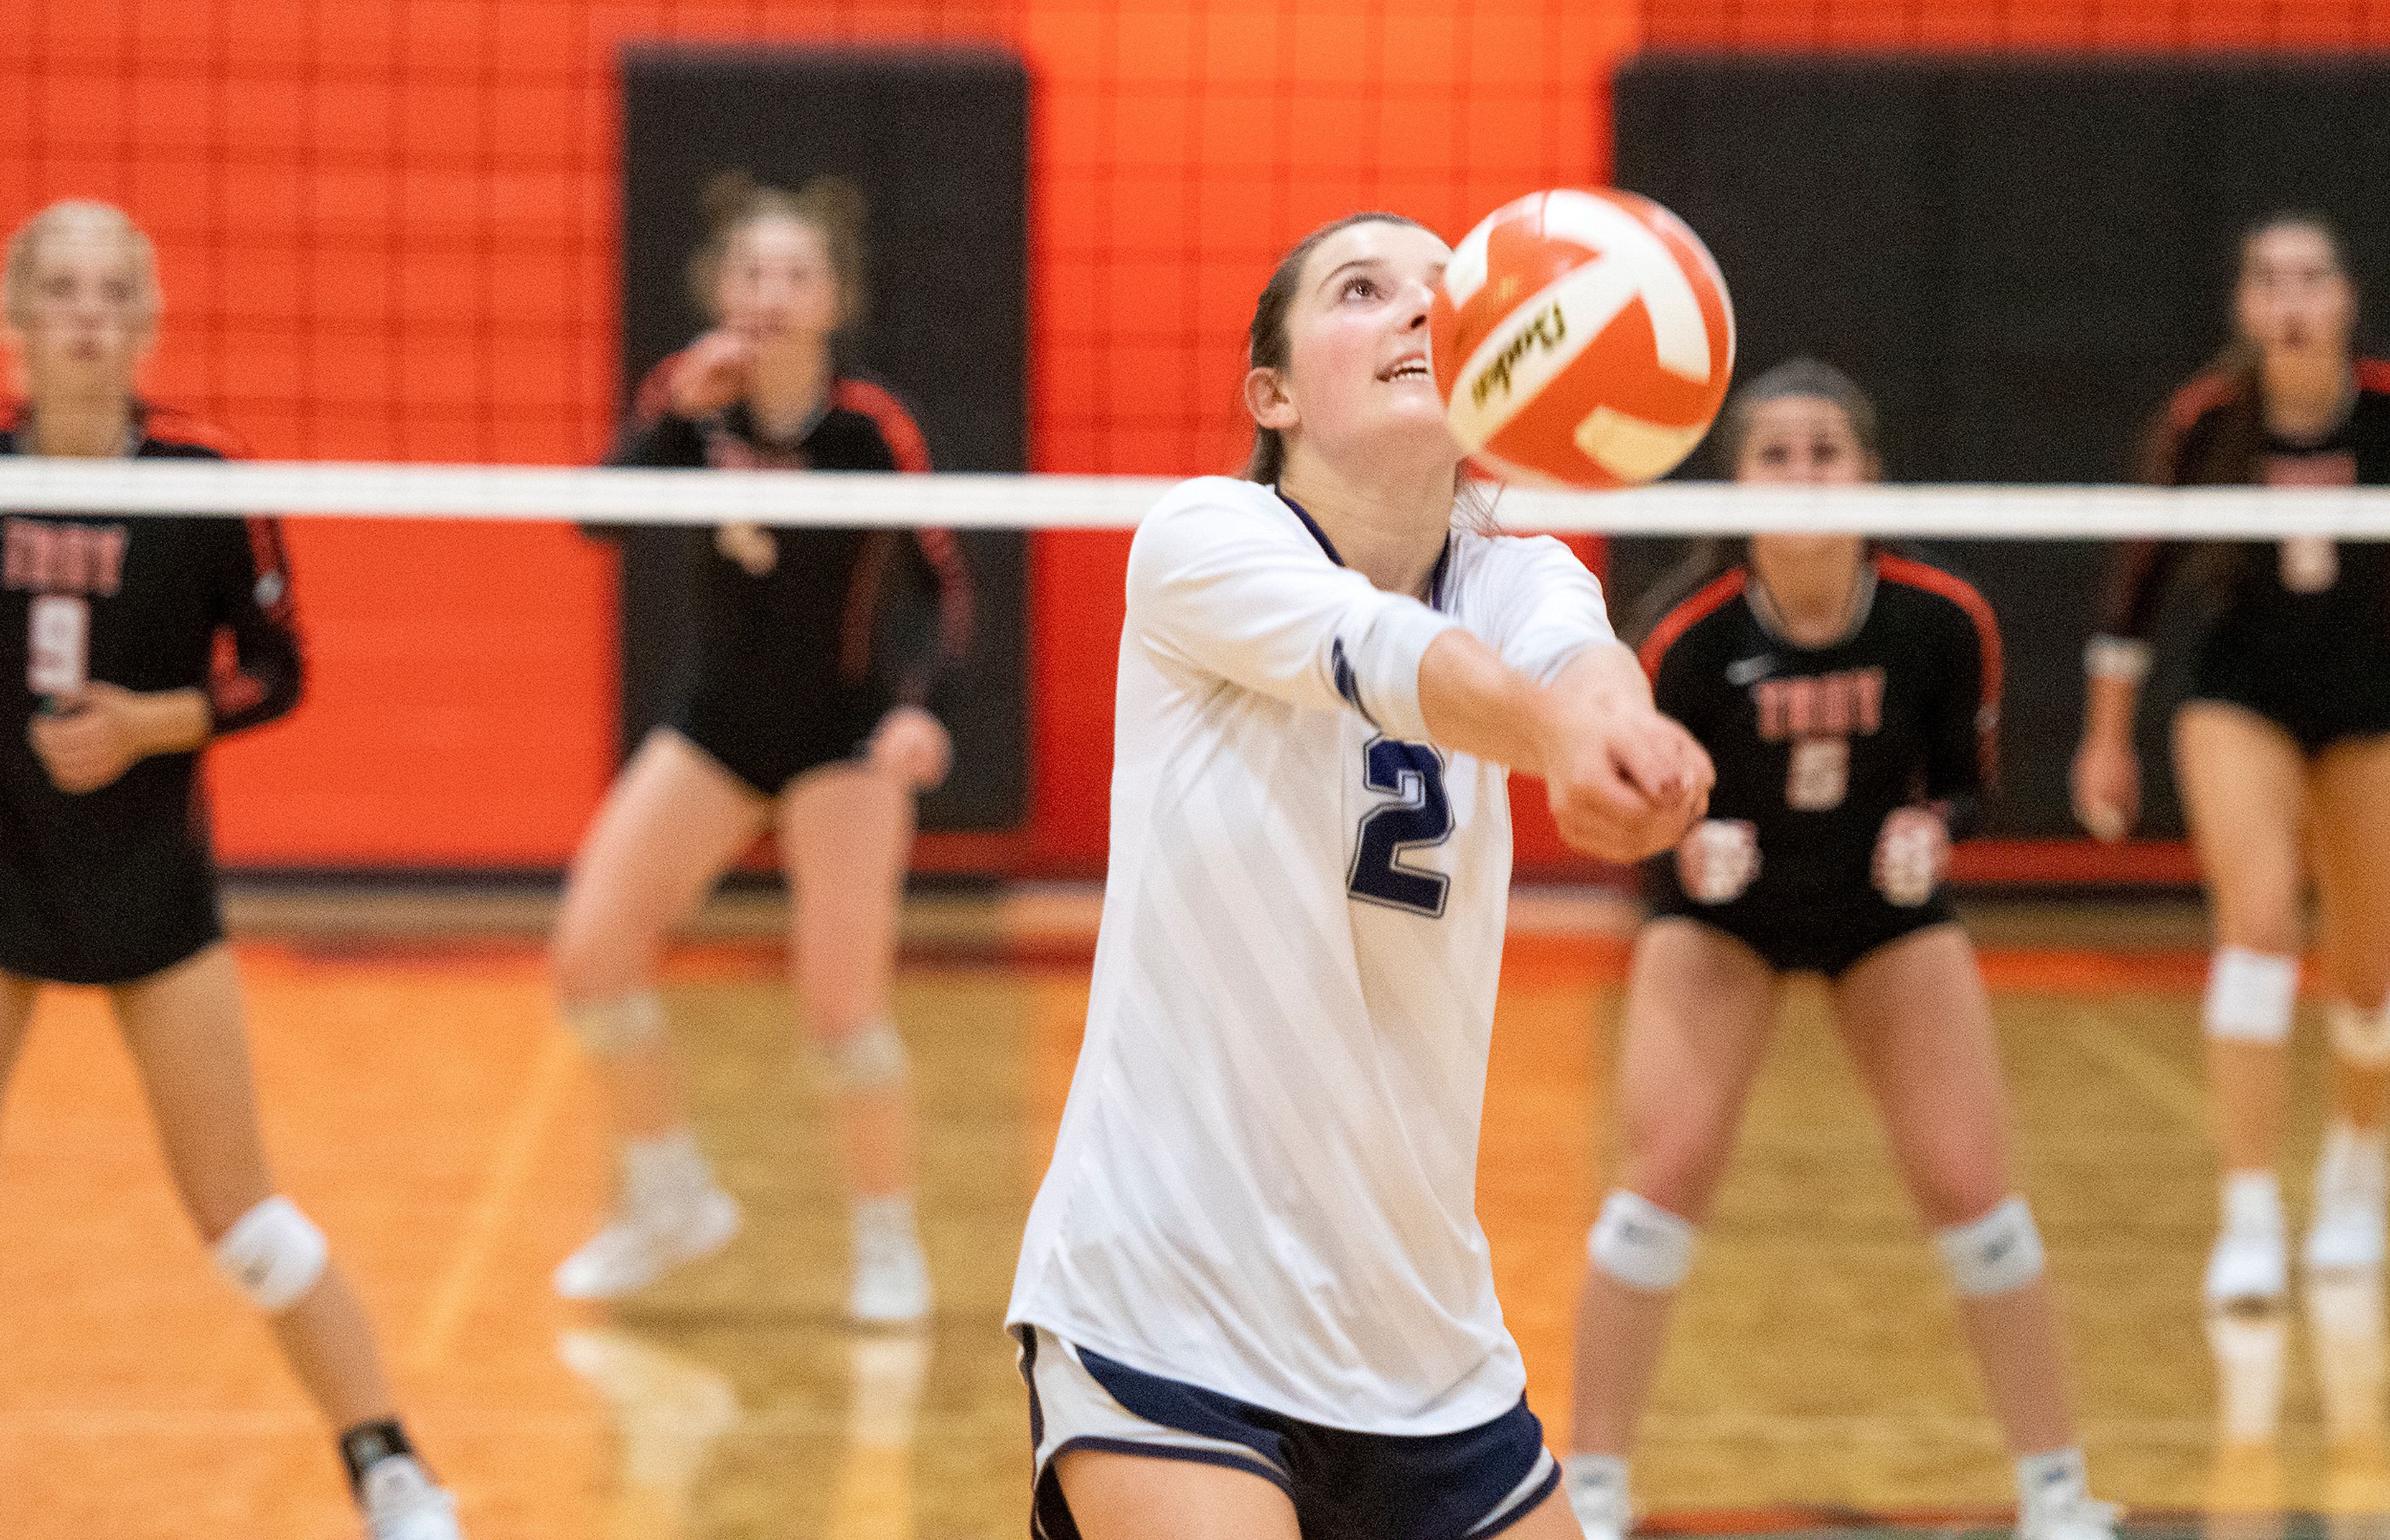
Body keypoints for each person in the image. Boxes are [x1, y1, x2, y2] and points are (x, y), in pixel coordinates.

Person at [1005, 211, 1713, 1540]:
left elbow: (1577, 660)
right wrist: (1561, 736)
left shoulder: (1517, 573)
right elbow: (1382, 653)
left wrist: (1627, 737)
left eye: (1445, 295)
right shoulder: (1203, 540)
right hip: (1169, 1303)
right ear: (1271, 394)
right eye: (1363, 291)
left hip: (1419, 1338)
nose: (1417, 314)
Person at [1562, 360, 2115, 1540]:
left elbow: (1969, 787)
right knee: (1660, 1182)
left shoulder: (1940, 619)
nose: (1803, 474)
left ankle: (2058, 1492)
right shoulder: (1687, 638)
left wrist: (1934, 828)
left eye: (1827, 451)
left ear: (1870, 474)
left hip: (1878, 911)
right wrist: (1680, 849)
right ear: (1735, 485)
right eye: (1776, 453)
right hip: (1725, 920)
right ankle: (1593, 1486)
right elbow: (1635, 803)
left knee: (1974, 1192)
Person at [0, 200, 462, 1539]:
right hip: (5, 882)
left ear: (147, 321)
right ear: (20, 318)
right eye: (61, 292)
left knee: (242, 1217)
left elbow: (281, 674)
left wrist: (145, 726)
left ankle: (390, 1467)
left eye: (112, 295)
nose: (87, 317)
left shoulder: (202, 476)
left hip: (149, 888)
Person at [551, 174, 970, 1321]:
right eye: (751, 274)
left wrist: (921, 706)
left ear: (833, 299)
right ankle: (668, 1195)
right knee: (590, 960)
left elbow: (941, 586)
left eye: (796, 275)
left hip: (843, 736)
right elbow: (598, 517)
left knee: (842, 1011)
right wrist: (670, 414)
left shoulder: (869, 430)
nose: (772, 295)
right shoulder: (692, 406)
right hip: (718, 726)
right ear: (717, 289)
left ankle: (886, 1240)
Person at [2073, 213, 2390, 1307]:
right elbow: (2136, 587)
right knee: (2258, 926)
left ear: (2346, 299)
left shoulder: (2385, 411)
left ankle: (2356, 1175)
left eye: (2313, 277)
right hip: (2239, 694)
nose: (2293, 299)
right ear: (2247, 308)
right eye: (2270, 279)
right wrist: (2107, 737)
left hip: (2373, 703)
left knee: (2371, 976)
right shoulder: (2208, 421)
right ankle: (2249, 1213)